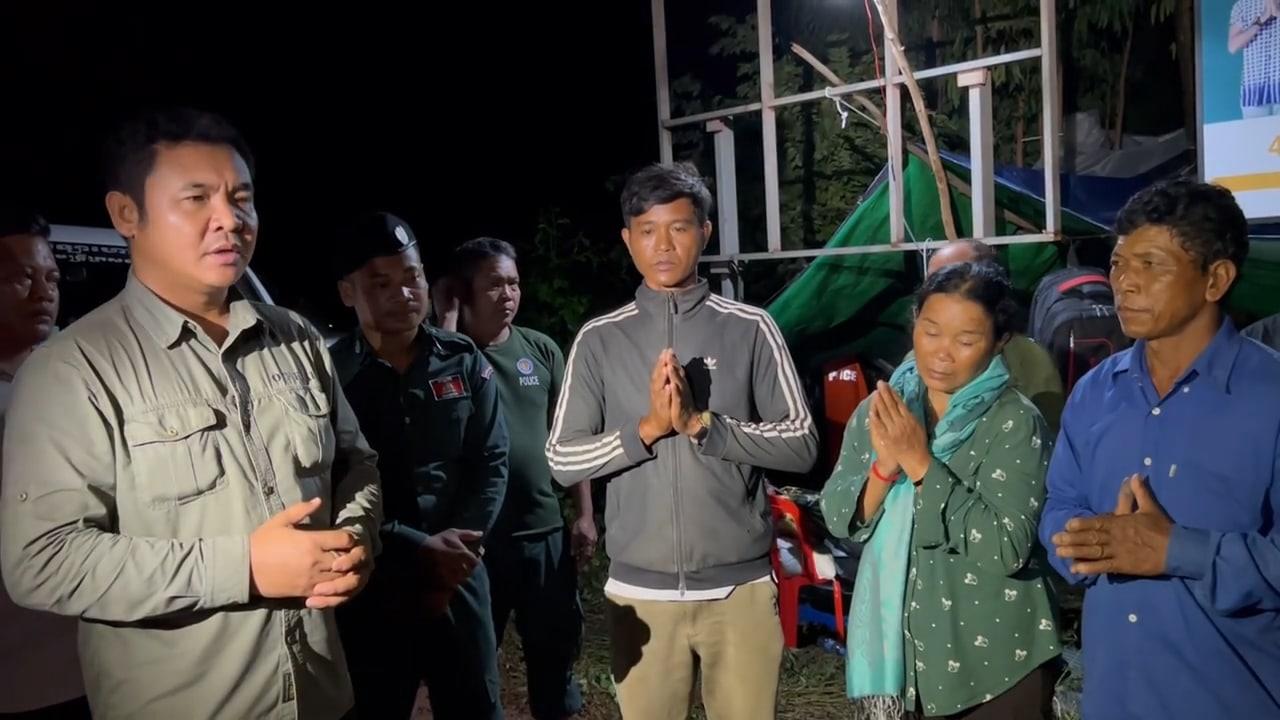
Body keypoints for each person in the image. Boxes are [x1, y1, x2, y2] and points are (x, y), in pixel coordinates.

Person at [0, 109, 382, 720]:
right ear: (127, 214)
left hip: (319, 694)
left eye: (242, 198)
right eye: (197, 198)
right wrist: (245, 567)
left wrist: (356, 538)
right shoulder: (74, 369)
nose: (229, 219)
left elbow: (356, 462)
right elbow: (42, 560)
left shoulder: (296, 338)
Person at [546, 163, 818, 719]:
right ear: (628, 240)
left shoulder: (751, 327)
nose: (663, 245)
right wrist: (648, 428)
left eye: (679, 227)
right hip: (639, 595)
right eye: (647, 230)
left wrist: (702, 426)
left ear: (705, 232)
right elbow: (562, 458)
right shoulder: (600, 339)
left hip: (739, 591)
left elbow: (800, 443)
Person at [1042, 180, 1280, 719]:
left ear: (1216, 279)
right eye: (1119, 264)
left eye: (1151, 265)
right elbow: (1059, 503)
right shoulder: (1093, 392)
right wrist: (1083, 541)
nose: (1125, 283)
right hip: (1113, 701)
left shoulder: (1271, 397)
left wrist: (1176, 550)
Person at [821, 261, 1061, 720]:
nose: (942, 354)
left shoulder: (1014, 422)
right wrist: (885, 468)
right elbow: (838, 518)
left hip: (995, 666)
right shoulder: (883, 408)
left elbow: (1006, 546)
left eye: (965, 340)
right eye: (931, 332)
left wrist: (920, 464)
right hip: (903, 662)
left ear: (1000, 341)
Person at [328, 213, 509, 720]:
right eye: (381, 283)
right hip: (373, 577)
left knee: (474, 706)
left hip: (459, 575)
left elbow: (491, 460)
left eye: (412, 277)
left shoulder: (462, 359)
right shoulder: (329, 376)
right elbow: (329, 479)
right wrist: (414, 546)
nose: (403, 293)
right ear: (348, 292)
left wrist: (459, 549)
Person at [440, 237, 589, 720]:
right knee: (470, 670)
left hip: (542, 534)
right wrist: (446, 322)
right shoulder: (447, 354)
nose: (507, 294)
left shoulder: (540, 349)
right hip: (477, 544)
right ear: (462, 291)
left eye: (514, 283)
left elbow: (569, 437)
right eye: (494, 284)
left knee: (555, 660)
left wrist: (584, 514)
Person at [0, 210, 89, 720]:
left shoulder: (79, 372)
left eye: (51, 279)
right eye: (21, 278)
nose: (42, 293)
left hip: (93, 662)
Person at [921, 240, 1066, 432]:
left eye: (954, 280)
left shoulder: (1031, 361)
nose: (942, 354)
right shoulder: (909, 370)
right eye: (933, 280)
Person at [1228, 0, 1280, 118]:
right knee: (1255, 130)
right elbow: (1233, 46)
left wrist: (1278, 12)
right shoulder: (1242, 6)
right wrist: (1261, 20)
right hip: (1254, 91)